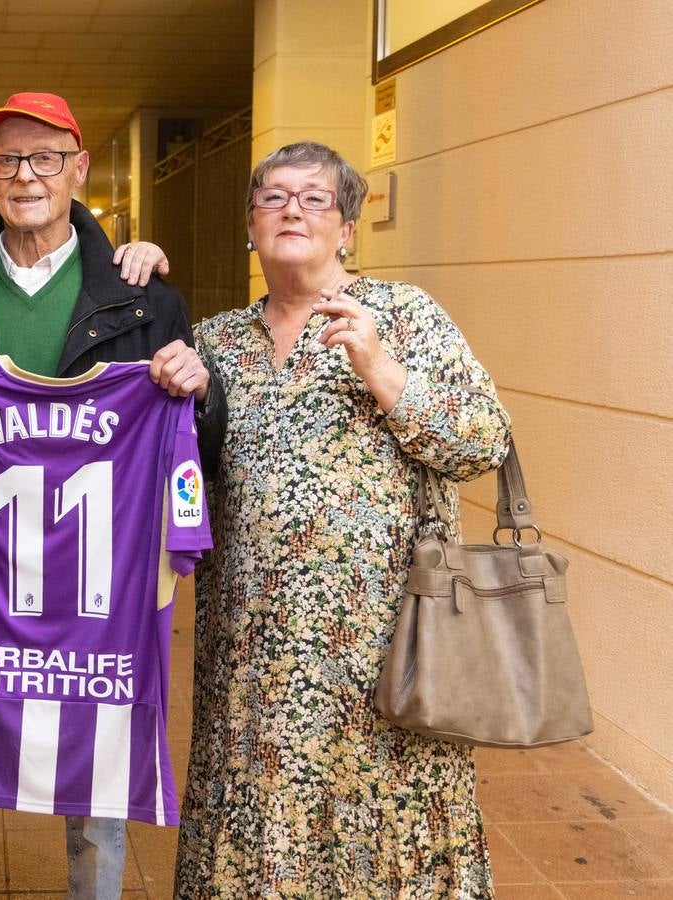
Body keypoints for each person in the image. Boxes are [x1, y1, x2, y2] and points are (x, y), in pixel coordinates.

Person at [0, 91, 225, 899]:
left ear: (77, 169)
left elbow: (191, 448)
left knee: (99, 764)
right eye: (8, 160)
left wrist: (197, 392)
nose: (26, 175)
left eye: (45, 158)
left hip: (97, 582)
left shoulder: (146, 295)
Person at [176, 141, 510, 897]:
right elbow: (178, 477)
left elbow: (482, 441)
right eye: (273, 197)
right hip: (250, 655)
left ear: (348, 228)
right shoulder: (214, 340)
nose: (292, 209)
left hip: (385, 649)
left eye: (315, 198)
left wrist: (381, 369)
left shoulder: (404, 315)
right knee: (258, 816)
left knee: (380, 828)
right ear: (249, 226)